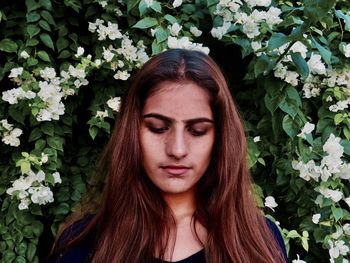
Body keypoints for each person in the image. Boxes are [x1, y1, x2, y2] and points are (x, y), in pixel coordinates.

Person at [49, 48, 288, 263]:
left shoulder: (259, 242)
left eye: (197, 131)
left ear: (221, 138)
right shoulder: (82, 246)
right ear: (132, 132)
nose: (177, 150)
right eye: (158, 128)